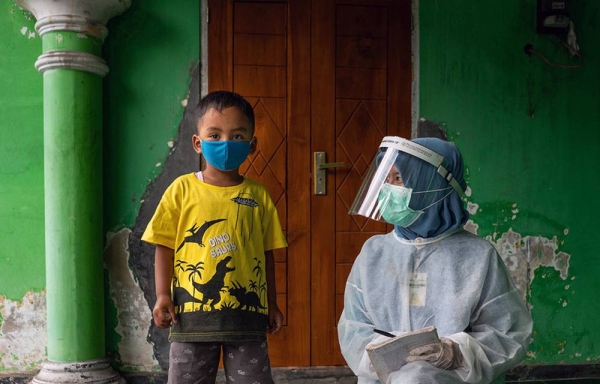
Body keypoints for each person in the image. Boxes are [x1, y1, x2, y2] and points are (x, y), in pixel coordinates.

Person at [338, 136, 533, 384]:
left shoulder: (478, 256)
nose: (388, 188)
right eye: (385, 179)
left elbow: (508, 332)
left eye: (398, 178)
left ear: (431, 182)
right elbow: (354, 328)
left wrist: (457, 352)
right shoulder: (373, 253)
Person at [142, 90, 287, 384]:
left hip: (246, 320)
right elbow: (164, 245)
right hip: (191, 319)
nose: (225, 143)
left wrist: (272, 303)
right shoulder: (181, 190)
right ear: (198, 142)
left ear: (251, 145)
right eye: (215, 135)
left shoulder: (258, 195)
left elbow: (266, 254)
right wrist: (162, 296)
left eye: (237, 136)